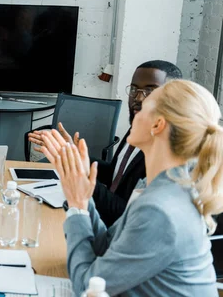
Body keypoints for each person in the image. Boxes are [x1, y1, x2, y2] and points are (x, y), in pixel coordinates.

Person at [39, 79, 221, 296]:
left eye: (144, 107)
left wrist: (78, 206)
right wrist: (83, 196)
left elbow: (88, 286)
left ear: (157, 125)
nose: (136, 109)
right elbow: (105, 248)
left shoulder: (160, 210)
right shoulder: (166, 189)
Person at [29, 60, 182, 226]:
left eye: (150, 90)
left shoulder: (167, 154)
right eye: (134, 89)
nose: (138, 97)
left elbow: (124, 214)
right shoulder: (137, 127)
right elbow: (116, 175)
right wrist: (75, 154)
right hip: (97, 215)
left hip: (114, 231)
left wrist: (81, 175)